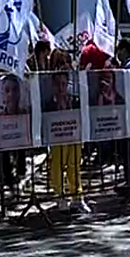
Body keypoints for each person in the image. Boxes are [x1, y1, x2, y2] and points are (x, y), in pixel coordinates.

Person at [44, 68, 90, 213]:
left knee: (74, 165)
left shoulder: (75, 100)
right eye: (58, 84)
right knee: (57, 166)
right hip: (57, 139)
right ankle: (60, 196)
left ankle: (77, 197)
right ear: (53, 85)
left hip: (74, 137)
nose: (61, 87)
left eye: (64, 84)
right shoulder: (49, 103)